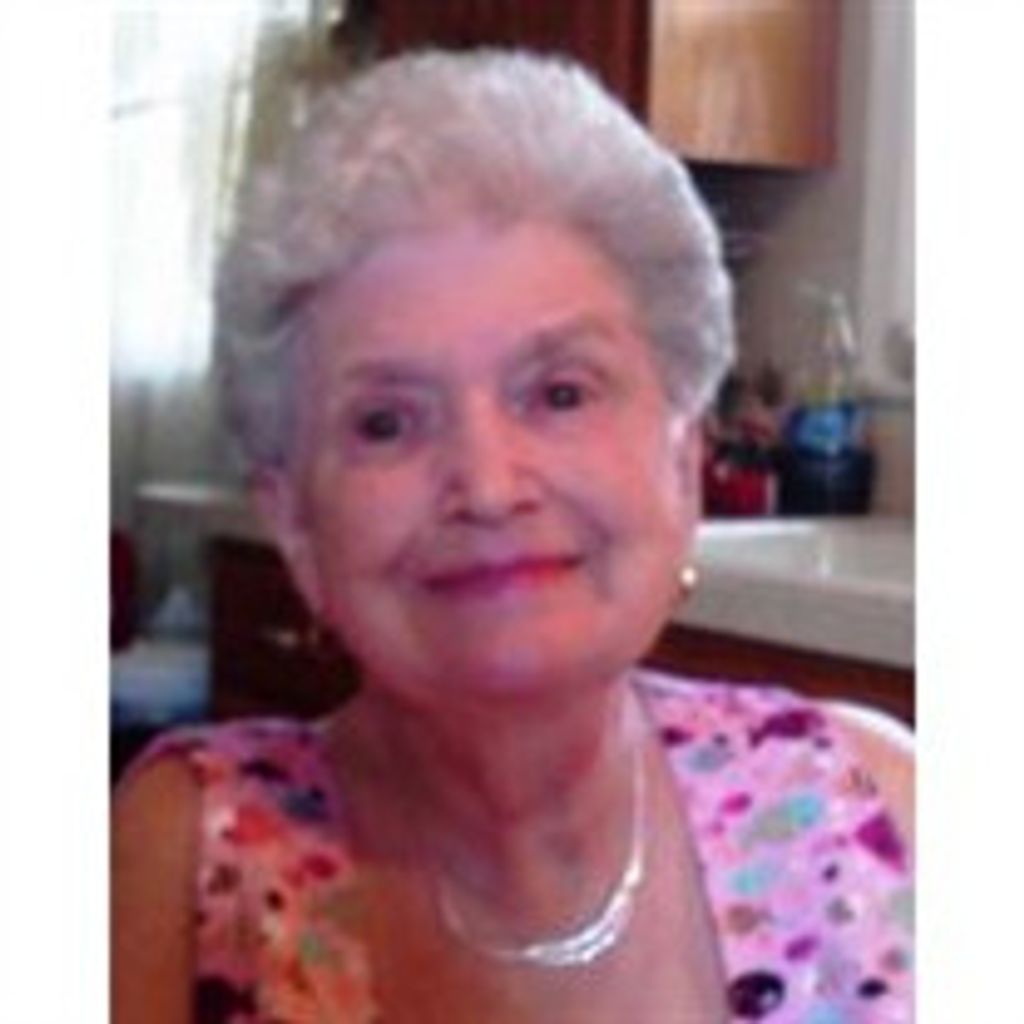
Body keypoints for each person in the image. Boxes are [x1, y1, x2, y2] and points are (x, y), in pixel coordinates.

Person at [113, 50, 913, 1024]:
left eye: (561, 392)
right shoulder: (186, 865)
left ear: (682, 460)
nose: (489, 488)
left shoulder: (874, 816)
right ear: (294, 521)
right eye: (387, 423)